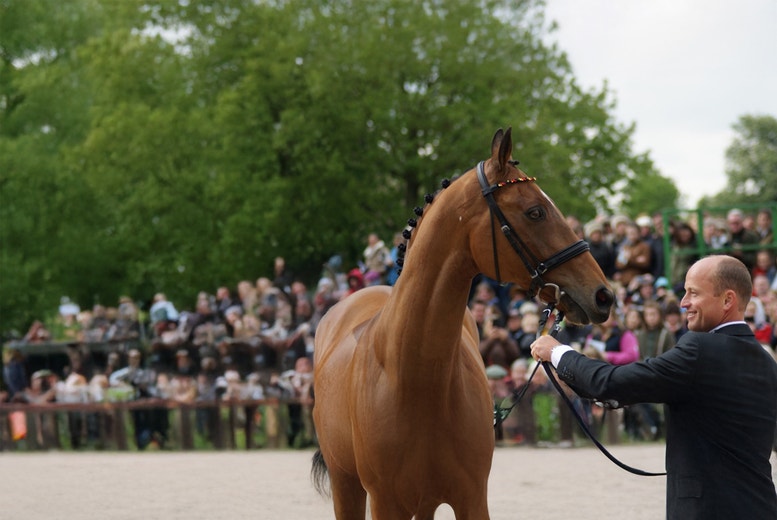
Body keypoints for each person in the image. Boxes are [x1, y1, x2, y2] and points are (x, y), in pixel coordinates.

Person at [531, 255, 777, 519]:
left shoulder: (699, 349)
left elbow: (611, 384)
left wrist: (558, 352)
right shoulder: (767, 361)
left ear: (728, 300)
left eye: (693, 293)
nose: (683, 303)